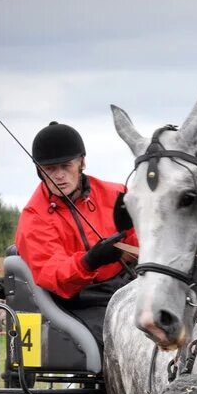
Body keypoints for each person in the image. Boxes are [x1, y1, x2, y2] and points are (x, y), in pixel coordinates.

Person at [14, 121, 138, 351]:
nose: (59, 176)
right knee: (127, 340)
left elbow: (143, 239)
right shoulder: (33, 217)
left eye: (65, 166)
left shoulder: (118, 194)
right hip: (79, 301)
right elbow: (52, 273)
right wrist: (90, 261)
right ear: (39, 170)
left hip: (129, 286)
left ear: (82, 162)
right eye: (50, 169)